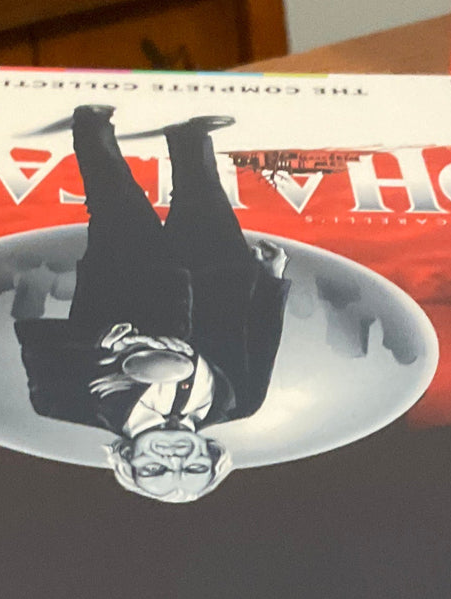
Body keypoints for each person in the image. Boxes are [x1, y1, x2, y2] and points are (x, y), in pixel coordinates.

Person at [15, 104, 290, 503]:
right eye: (194, 468)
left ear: (128, 461)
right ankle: (187, 137)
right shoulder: (240, 404)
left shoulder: (66, 406)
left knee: (117, 201)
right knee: (205, 202)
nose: (175, 460)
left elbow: (36, 344)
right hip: (217, 283)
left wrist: (104, 345)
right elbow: (263, 340)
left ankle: (91, 125)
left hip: (128, 283)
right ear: (213, 459)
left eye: (154, 469)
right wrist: (270, 278)